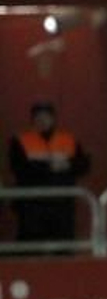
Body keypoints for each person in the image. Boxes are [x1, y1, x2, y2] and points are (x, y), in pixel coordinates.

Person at [8, 102, 90, 243]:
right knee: (31, 246)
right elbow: (19, 168)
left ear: (53, 119)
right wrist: (51, 167)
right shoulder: (21, 141)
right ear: (32, 120)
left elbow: (83, 165)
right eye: (38, 117)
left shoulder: (68, 140)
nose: (43, 121)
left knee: (63, 245)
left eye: (46, 117)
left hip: (62, 202)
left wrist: (66, 166)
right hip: (32, 203)